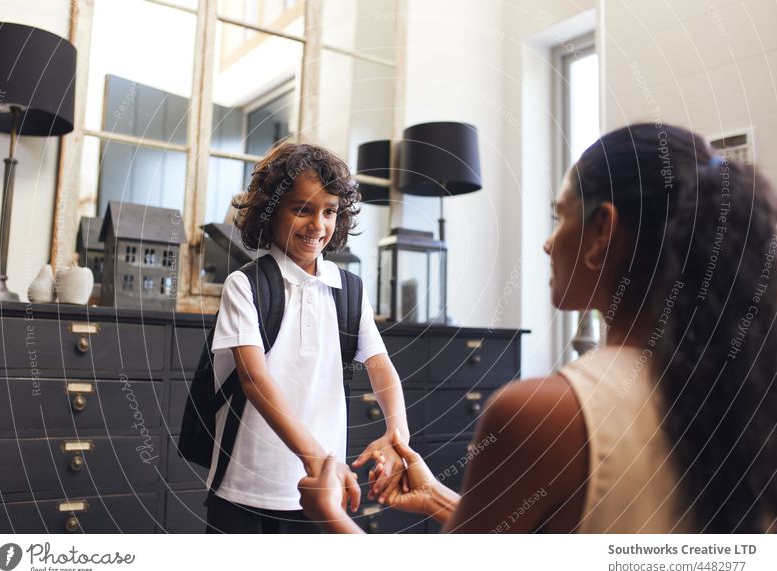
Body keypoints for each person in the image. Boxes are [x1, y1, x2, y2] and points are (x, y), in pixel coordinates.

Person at [299, 123, 777, 534]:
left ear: (601, 233)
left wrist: (328, 514)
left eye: (560, 215)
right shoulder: (743, 386)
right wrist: (438, 499)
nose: (549, 244)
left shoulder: (543, 414)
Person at [206, 142, 409, 534]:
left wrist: (397, 432)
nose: (318, 225)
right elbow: (254, 378)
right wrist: (314, 457)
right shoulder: (244, 286)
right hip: (245, 489)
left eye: (329, 211)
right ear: (270, 211)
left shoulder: (348, 289)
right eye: (302, 209)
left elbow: (380, 363)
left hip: (318, 494)